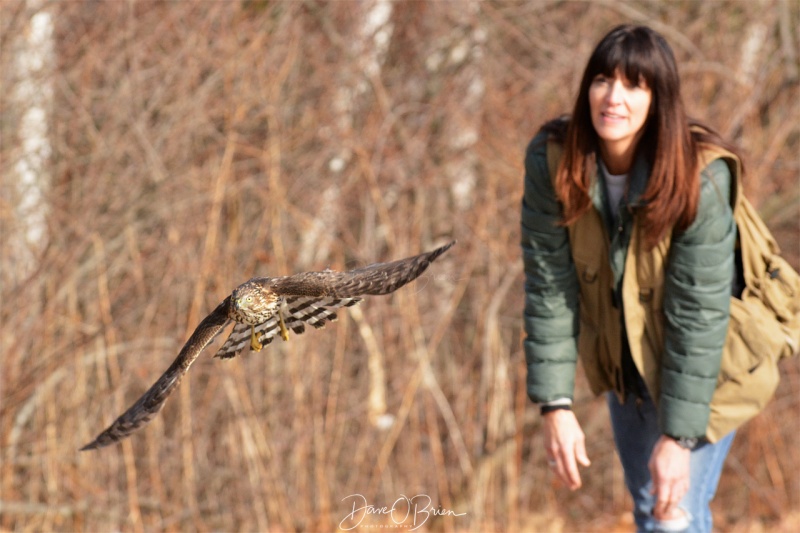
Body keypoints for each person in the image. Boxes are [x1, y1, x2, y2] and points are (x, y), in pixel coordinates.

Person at [520, 25, 744, 533]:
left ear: (658, 99)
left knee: (671, 512)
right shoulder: (554, 161)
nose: (613, 97)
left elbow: (700, 314)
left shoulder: (700, 175)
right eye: (602, 80)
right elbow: (549, 287)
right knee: (650, 507)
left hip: (714, 360)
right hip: (628, 365)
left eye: (634, 85)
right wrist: (555, 404)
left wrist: (681, 438)